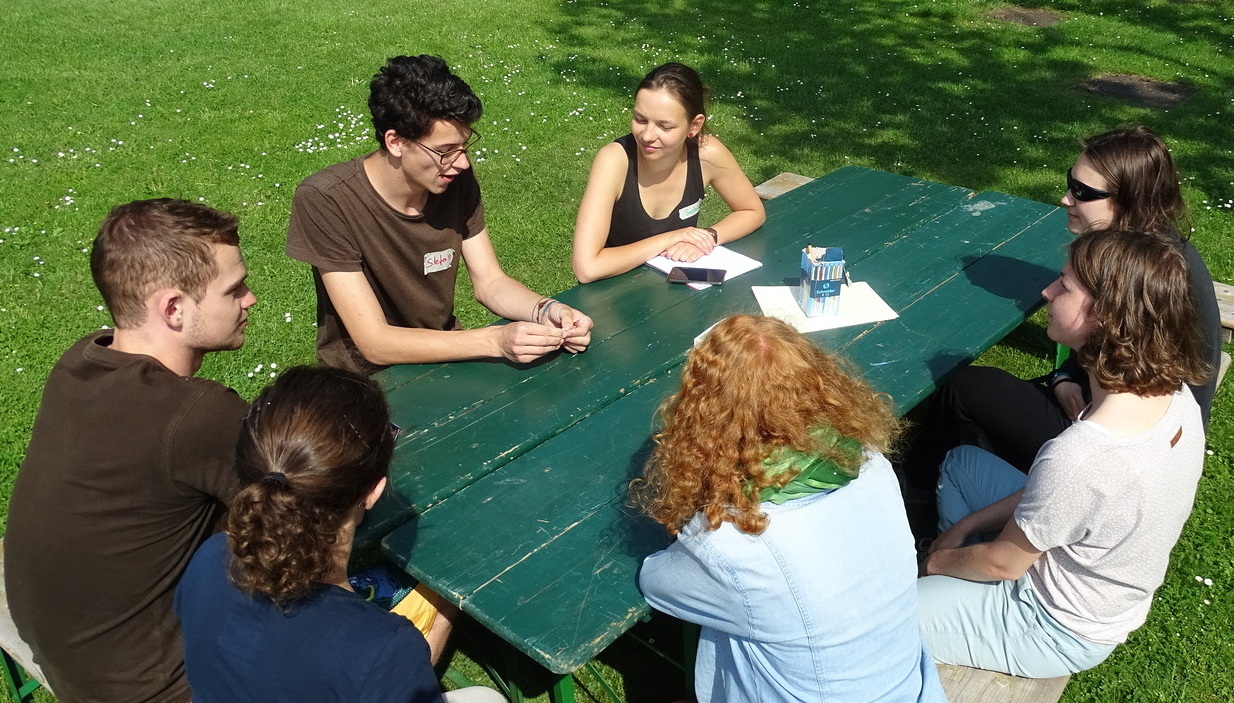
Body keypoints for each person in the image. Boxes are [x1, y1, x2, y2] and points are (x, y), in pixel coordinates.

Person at [916, 227, 1212, 678]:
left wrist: (935, 561)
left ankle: (952, 597)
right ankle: (959, 585)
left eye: (1065, 286)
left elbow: (1002, 563)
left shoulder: (1084, 453)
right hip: (1086, 580)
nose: (1047, 291)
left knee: (870, 621)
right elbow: (1063, 496)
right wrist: (967, 526)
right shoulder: (1172, 394)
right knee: (961, 465)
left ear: (1106, 317)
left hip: (1053, 624)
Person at [4, 199, 256, 702]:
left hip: (65, 648)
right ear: (173, 309)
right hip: (156, 688)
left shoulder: (83, 360)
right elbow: (309, 500)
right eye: (234, 289)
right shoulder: (195, 413)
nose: (249, 299)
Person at [635, 315, 947, 703]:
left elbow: (658, 583)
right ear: (818, 382)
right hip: (910, 689)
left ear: (705, 413)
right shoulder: (869, 463)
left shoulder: (733, 543)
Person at [174, 366, 505, 703]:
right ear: (373, 492)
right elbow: (372, 667)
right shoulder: (383, 648)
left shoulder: (210, 558)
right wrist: (448, 598)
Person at [923, 126, 1221, 473]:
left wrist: (1076, 398)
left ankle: (918, 491)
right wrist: (1064, 377)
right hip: (1109, 404)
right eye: (1070, 182)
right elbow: (1110, 342)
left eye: (1082, 192)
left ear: (1127, 199)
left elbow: (1148, 381)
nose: (1066, 199)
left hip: (1130, 446)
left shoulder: (1139, 276)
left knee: (965, 386)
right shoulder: (1147, 252)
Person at [287, 54, 593, 376]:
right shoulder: (326, 199)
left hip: (445, 357)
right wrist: (495, 340)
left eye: (464, 146)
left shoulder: (453, 178)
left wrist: (546, 310)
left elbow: (490, 281)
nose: (462, 162)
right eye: (445, 151)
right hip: (364, 380)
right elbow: (374, 342)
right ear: (396, 142)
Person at [571, 62, 765, 283]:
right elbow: (586, 268)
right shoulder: (614, 160)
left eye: (664, 126)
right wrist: (671, 238)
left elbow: (752, 210)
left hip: (677, 289)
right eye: (640, 119)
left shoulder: (707, 153)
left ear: (694, 126)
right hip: (612, 292)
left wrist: (707, 237)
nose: (647, 135)